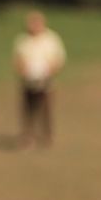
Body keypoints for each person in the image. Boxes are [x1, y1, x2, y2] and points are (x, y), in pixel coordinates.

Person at [12, 10, 66, 148]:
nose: (33, 25)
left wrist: (48, 71)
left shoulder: (51, 39)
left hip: (46, 82)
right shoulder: (23, 40)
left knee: (46, 110)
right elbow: (17, 60)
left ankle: (47, 136)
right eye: (31, 23)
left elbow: (58, 59)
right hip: (28, 81)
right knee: (28, 110)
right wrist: (24, 71)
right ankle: (27, 136)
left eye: (36, 22)